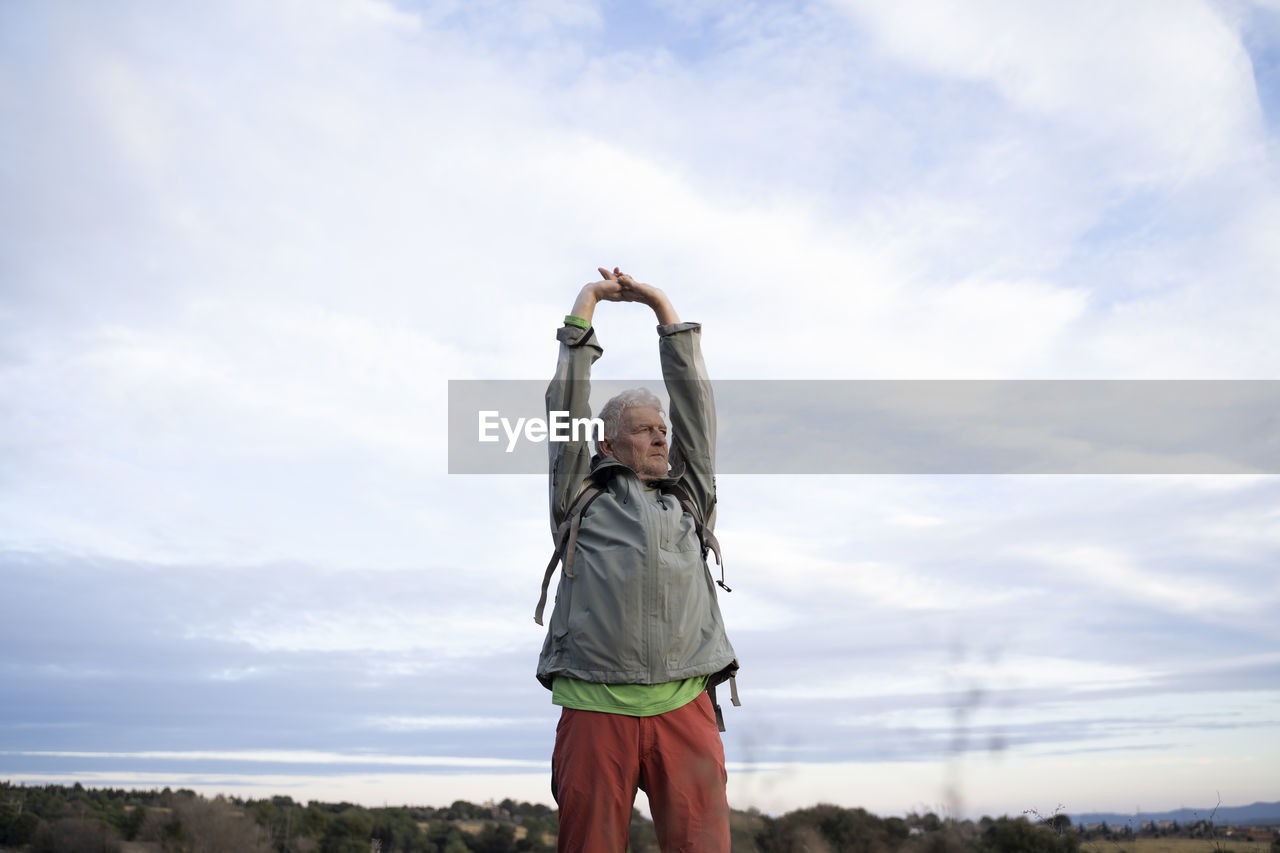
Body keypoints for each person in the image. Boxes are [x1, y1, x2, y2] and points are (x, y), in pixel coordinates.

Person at [535, 266, 739, 852]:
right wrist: (587, 304)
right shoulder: (579, 495)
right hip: (594, 707)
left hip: (685, 705)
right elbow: (564, 406)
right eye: (645, 430)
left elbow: (697, 413)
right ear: (606, 443)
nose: (660, 438)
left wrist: (662, 309)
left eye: (661, 429)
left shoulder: (689, 500)